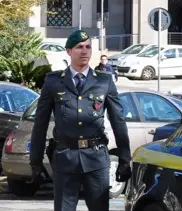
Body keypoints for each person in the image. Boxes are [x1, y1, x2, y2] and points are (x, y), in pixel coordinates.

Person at [29, 30, 132, 211]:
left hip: (96, 158)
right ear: (69, 51)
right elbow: (40, 123)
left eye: (88, 47)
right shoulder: (53, 82)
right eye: (79, 47)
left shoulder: (104, 81)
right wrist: (35, 161)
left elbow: (118, 122)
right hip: (65, 159)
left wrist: (125, 159)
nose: (84, 51)